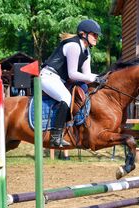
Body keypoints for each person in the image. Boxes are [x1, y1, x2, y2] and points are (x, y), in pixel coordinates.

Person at [40, 19, 101, 147]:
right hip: (48, 76)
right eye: (94, 34)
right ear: (83, 34)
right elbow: (72, 74)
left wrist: (100, 78)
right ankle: (55, 137)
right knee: (66, 98)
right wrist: (93, 78)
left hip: (59, 80)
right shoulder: (73, 46)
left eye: (97, 35)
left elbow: (87, 75)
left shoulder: (86, 51)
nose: (96, 38)